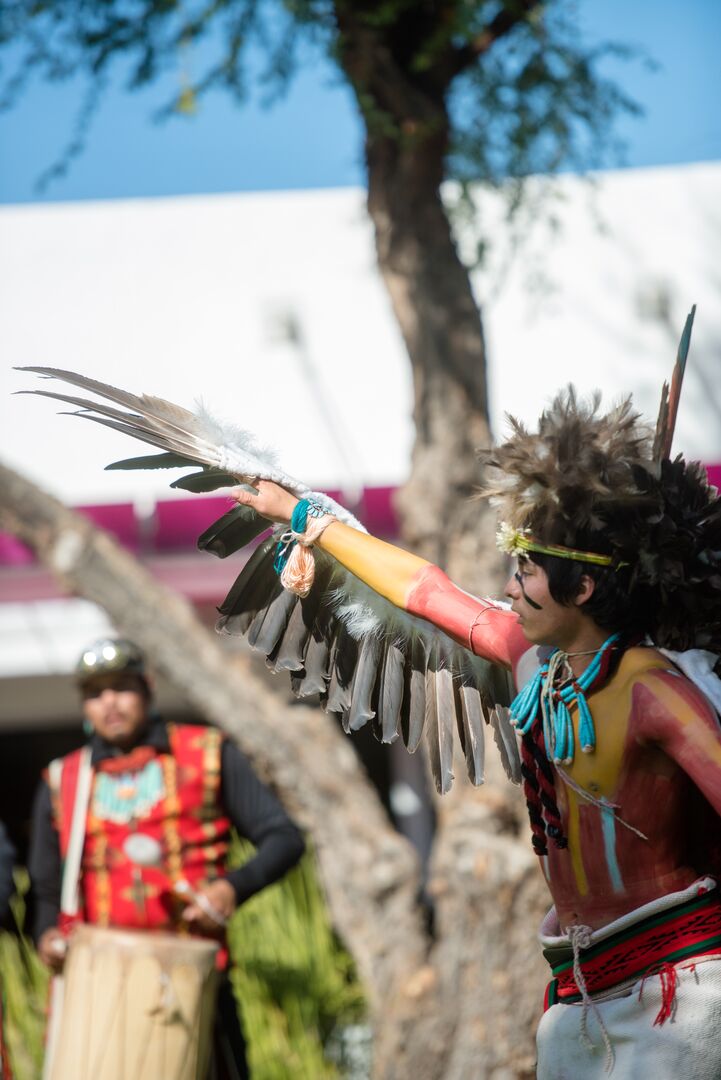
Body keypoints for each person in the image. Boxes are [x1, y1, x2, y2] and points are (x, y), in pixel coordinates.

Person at [230, 388, 721, 1078]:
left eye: (525, 568)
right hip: (577, 994)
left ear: (582, 589)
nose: (510, 586)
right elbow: (421, 589)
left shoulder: (654, 690)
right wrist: (304, 514)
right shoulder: (531, 662)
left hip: (684, 991)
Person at [28, 637, 305, 1078]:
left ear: (147, 688)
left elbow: (283, 838)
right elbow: (44, 888)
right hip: (99, 988)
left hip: (194, 978)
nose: (110, 703)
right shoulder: (64, 779)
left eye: (121, 687)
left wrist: (231, 887)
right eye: (96, 694)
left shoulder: (209, 752)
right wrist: (46, 935)